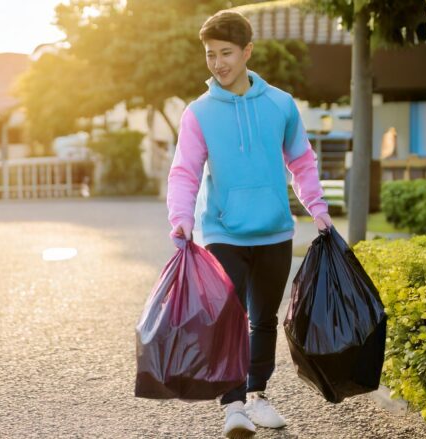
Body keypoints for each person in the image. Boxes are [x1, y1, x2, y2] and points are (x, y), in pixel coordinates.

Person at [166, 10, 333, 439]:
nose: (218, 63)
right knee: (230, 320)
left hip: (275, 230)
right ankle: (233, 406)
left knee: (264, 320)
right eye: (210, 54)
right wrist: (181, 219)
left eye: (226, 53)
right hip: (223, 231)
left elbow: (301, 161)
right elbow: (185, 171)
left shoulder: (280, 104)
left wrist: (317, 207)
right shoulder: (198, 113)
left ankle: (257, 395)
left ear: (247, 52)